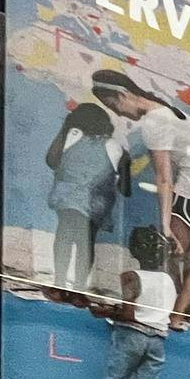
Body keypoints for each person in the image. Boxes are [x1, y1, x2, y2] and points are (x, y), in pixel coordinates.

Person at [90, 69, 190, 331]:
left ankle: (166, 316)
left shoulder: (154, 121)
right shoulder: (173, 113)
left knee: (169, 254)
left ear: (123, 95)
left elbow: (164, 178)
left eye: (114, 105)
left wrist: (165, 226)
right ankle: (177, 317)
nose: (119, 113)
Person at [95, 226, 173, 379]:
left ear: (134, 250)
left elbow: (128, 314)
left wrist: (104, 311)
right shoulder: (169, 280)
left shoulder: (131, 277)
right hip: (158, 340)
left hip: (132, 336)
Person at [43, 102, 127, 295]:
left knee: (63, 236)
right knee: (86, 243)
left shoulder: (73, 136)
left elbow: (51, 160)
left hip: (68, 197)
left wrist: (64, 129)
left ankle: (59, 282)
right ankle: (79, 289)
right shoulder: (113, 145)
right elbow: (123, 184)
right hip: (96, 202)